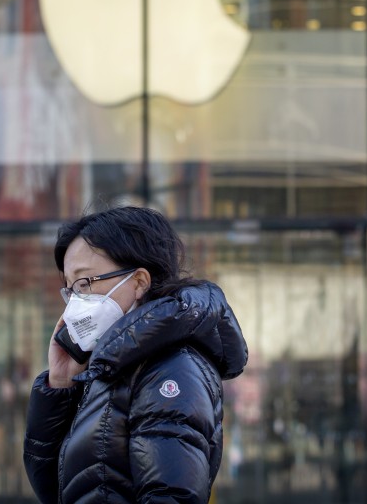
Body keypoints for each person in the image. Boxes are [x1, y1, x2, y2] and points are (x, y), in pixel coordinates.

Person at [23, 206, 248, 503]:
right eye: (69, 288)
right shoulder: (114, 366)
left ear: (139, 282)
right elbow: (62, 490)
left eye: (84, 282)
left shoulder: (170, 368)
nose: (75, 301)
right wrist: (61, 385)